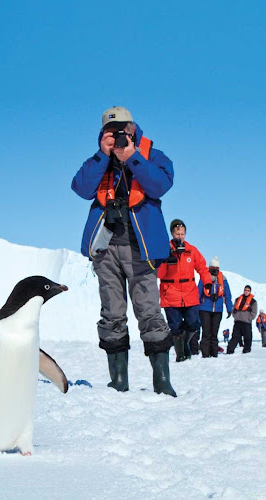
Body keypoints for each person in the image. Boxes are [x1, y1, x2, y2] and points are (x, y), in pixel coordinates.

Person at [71, 106, 176, 396]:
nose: (119, 136)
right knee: (112, 313)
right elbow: (80, 188)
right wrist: (102, 156)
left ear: (133, 128)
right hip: (106, 248)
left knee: (150, 312)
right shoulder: (100, 160)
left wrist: (133, 158)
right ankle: (119, 381)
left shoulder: (151, 154)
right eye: (111, 131)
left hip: (140, 248)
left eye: (123, 129)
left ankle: (162, 381)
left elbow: (161, 185)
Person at [157, 219, 212, 362]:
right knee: (175, 327)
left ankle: (184, 345)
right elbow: (159, 274)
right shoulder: (164, 249)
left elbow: (202, 268)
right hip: (170, 294)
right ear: (172, 234)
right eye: (177, 234)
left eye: (182, 234)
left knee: (193, 323)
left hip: (189, 293)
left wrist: (207, 283)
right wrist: (165, 259)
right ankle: (180, 355)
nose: (180, 237)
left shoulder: (191, 250)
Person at [197, 256, 233, 358]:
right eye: (212, 268)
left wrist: (229, 308)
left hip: (218, 310)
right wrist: (196, 307)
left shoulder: (223, 279)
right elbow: (198, 293)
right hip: (204, 309)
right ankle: (205, 354)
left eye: (216, 268)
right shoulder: (204, 278)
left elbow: (227, 295)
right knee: (206, 332)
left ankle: (214, 353)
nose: (214, 270)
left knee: (214, 333)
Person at [227, 285, 258, 354]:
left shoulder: (253, 302)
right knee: (235, 336)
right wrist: (235, 316)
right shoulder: (238, 299)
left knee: (247, 337)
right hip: (238, 321)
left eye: (248, 290)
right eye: (245, 290)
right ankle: (230, 350)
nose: (246, 292)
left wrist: (249, 318)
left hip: (246, 322)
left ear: (250, 292)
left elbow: (254, 312)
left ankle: (246, 350)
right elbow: (234, 308)